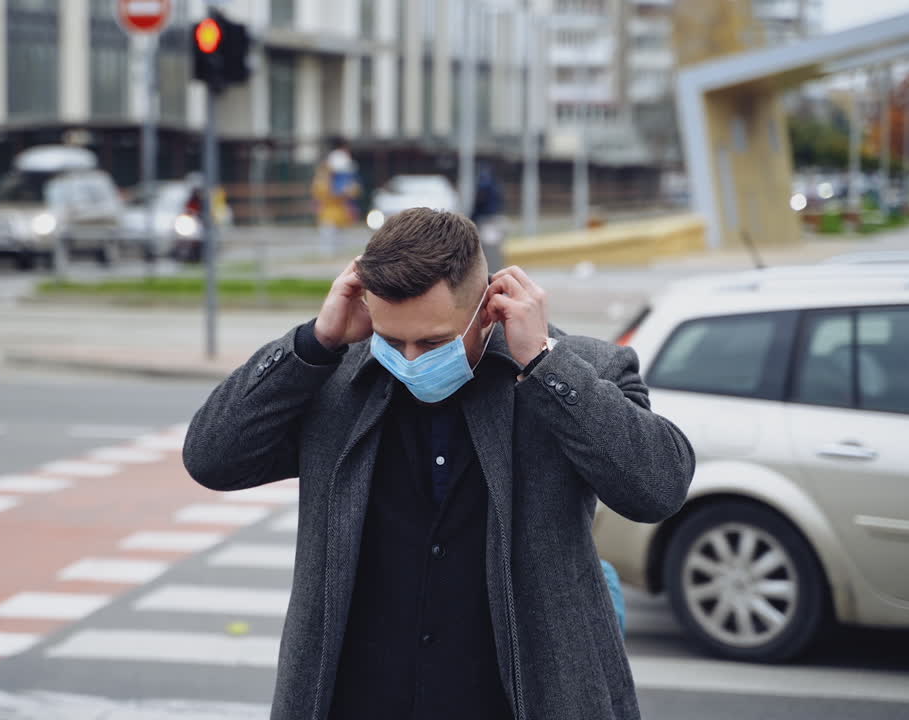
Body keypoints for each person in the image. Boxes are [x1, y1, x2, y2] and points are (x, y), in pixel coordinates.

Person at [183, 208, 694, 720]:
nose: (409, 358)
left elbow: (656, 488)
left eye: (432, 342)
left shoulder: (577, 371)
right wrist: (315, 341)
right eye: (390, 339)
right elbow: (212, 458)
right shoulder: (335, 378)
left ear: (488, 307)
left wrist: (544, 363)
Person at [312, 138, 362, 256]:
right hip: (330, 209)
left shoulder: (338, 166)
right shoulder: (331, 168)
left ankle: (332, 256)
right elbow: (322, 190)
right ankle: (328, 257)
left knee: (336, 238)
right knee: (330, 237)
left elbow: (353, 189)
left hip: (338, 209)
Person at [471, 162, 508, 271]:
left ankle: (491, 271)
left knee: (489, 249)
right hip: (494, 219)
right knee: (493, 249)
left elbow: (480, 201)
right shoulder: (496, 184)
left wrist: (472, 216)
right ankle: (495, 270)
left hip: (487, 221)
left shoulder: (485, 183)